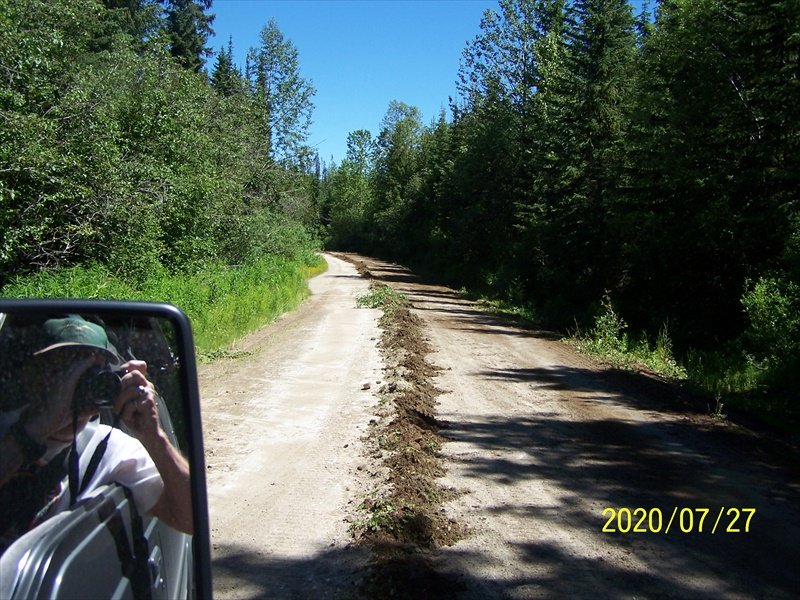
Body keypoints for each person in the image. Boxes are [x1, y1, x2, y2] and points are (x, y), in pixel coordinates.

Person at [0, 316, 193, 554]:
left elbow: (190, 519)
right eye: (62, 370)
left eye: (89, 374)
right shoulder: (6, 428)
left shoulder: (107, 448)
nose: (75, 386)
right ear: (31, 375)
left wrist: (153, 436)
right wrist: (37, 426)